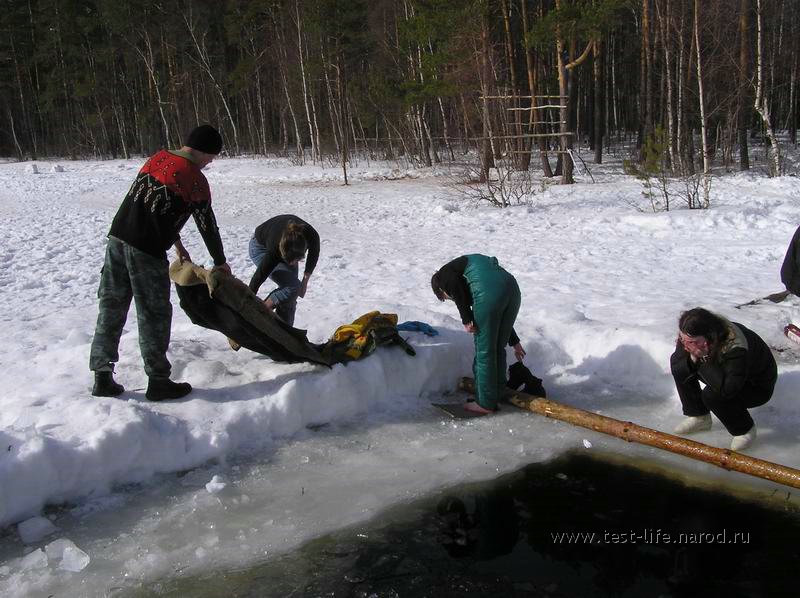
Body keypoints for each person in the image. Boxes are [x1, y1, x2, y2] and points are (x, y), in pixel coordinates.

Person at [89, 124, 231, 401]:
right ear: (203, 152)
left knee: (111, 307)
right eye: (211, 158)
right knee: (153, 313)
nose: (210, 163)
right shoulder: (195, 179)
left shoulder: (158, 159)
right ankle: (158, 381)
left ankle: (102, 376)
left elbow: (152, 207)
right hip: (146, 250)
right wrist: (220, 261)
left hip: (117, 240)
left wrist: (177, 243)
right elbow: (207, 224)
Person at [670, 307, 777, 451]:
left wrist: (702, 359)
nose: (685, 345)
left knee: (712, 395)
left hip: (755, 386)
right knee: (680, 361)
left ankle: (744, 429)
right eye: (683, 339)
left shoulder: (735, 346)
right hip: (725, 374)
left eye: (690, 342)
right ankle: (699, 416)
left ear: (707, 339)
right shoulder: (692, 338)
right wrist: (694, 358)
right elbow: (679, 367)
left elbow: (728, 389)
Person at [431, 254, 526, 415]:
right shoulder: (474, 280)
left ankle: (485, 403)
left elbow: (455, 285)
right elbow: (498, 315)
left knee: (485, 351)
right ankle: (496, 393)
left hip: (489, 293)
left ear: (441, 290)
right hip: (512, 290)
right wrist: (515, 342)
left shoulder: (443, 276)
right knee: (497, 347)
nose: (452, 299)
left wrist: (466, 318)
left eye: (446, 298)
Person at [248, 215, 320, 327]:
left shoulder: (311, 236)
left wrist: (305, 281)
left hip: (288, 245)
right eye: (288, 260)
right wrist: (246, 303)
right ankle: (255, 317)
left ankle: (284, 331)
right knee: (292, 286)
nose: (291, 265)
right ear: (281, 253)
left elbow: (313, 256)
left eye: (296, 260)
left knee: (292, 293)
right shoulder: (274, 248)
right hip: (260, 248)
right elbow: (259, 276)